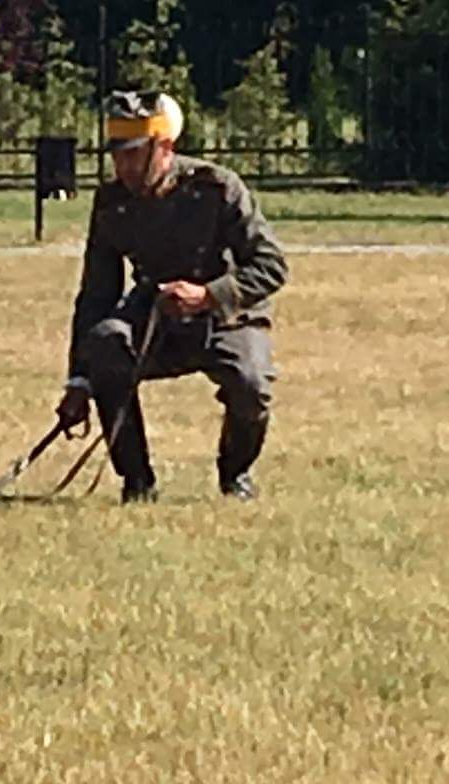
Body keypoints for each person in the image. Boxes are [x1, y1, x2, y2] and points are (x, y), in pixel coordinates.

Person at [57, 90, 287, 502]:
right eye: (118, 155)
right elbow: (96, 295)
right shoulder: (111, 203)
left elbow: (271, 265)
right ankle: (137, 482)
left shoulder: (219, 188)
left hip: (226, 317)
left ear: (164, 147)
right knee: (106, 344)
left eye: (134, 154)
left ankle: (235, 475)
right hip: (156, 319)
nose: (123, 166)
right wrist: (78, 379)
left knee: (251, 383)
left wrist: (209, 295)